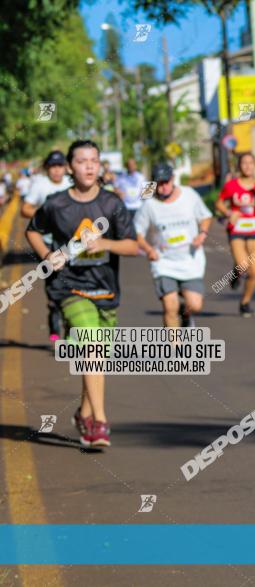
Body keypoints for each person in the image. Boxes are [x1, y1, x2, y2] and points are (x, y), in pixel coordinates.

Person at [25, 140, 138, 448]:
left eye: (94, 160)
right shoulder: (56, 203)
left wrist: (105, 245)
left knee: (96, 358)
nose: (89, 166)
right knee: (91, 347)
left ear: (100, 165)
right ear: (70, 168)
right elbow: (32, 230)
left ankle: (84, 413)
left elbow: (132, 245)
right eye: (82, 161)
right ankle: (99, 424)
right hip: (69, 287)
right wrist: (47, 255)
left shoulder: (113, 204)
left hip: (106, 290)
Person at [134, 162, 212, 328]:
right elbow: (137, 232)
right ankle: (174, 349)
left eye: (166, 182)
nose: (163, 187)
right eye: (158, 183)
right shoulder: (149, 204)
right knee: (170, 306)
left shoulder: (189, 194)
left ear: (173, 179)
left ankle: (184, 312)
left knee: (195, 305)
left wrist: (202, 234)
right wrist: (148, 250)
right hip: (164, 262)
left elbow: (205, 216)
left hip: (190, 260)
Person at [21, 150, 74, 341]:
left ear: (66, 167)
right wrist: (45, 213)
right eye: (53, 166)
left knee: (72, 288)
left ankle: (70, 329)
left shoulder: (72, 183)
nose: (57, 171)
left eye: (60, 166)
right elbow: (25, 209)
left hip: (70, 244)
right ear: (47, 168)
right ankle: (54, 320)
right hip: (47, 244)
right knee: (53, 289)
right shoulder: (40, 185)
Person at [216, 152, 255, 317]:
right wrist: (227, 212)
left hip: (254, 230)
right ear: (239, 166)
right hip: (236, 230)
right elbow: (219, 202)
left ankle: (245, 303)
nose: (247, 166)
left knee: (254, 272)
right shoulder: (231, 185)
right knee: (243, 265)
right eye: (244, 163)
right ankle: (236, 272)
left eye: (251, 163)